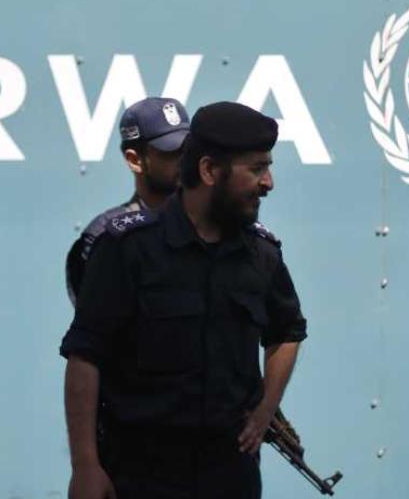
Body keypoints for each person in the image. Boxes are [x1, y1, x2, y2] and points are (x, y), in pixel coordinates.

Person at [60, 102, 308, 499]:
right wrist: (85, 465)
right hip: (141, 476)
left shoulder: (262, 254)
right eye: (257, 168)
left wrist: (264, 409)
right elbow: (85, 358)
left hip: (230, 477)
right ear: (209, 171)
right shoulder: (127, 249)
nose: (269, 182)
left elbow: (287, 332)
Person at [65, 97, 189, 304]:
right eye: (172, 152)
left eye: (189, 150)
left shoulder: (216, 224)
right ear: (135, 160)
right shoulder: (106, 236)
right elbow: (96, 327)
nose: (185, 161)